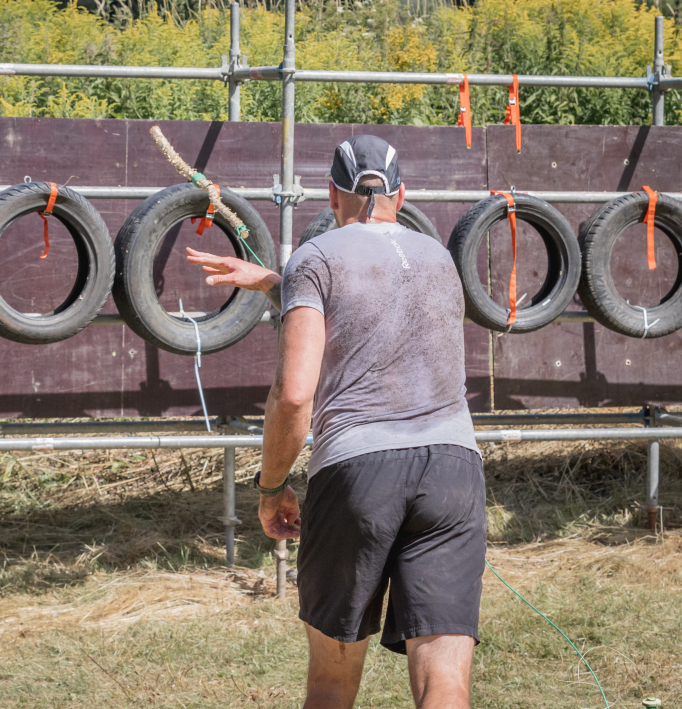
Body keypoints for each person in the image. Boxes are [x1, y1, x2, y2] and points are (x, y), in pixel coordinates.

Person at [186, 134, 485, 709]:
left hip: (358, 471)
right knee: (444, 680)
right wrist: (274, 282)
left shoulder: (316, 257)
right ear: (402, 194)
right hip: (453, 472)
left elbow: (295, 396)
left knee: (331, 682)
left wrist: (271, 487)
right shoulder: (439, 257)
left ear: (330, 194)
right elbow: (374, 300)